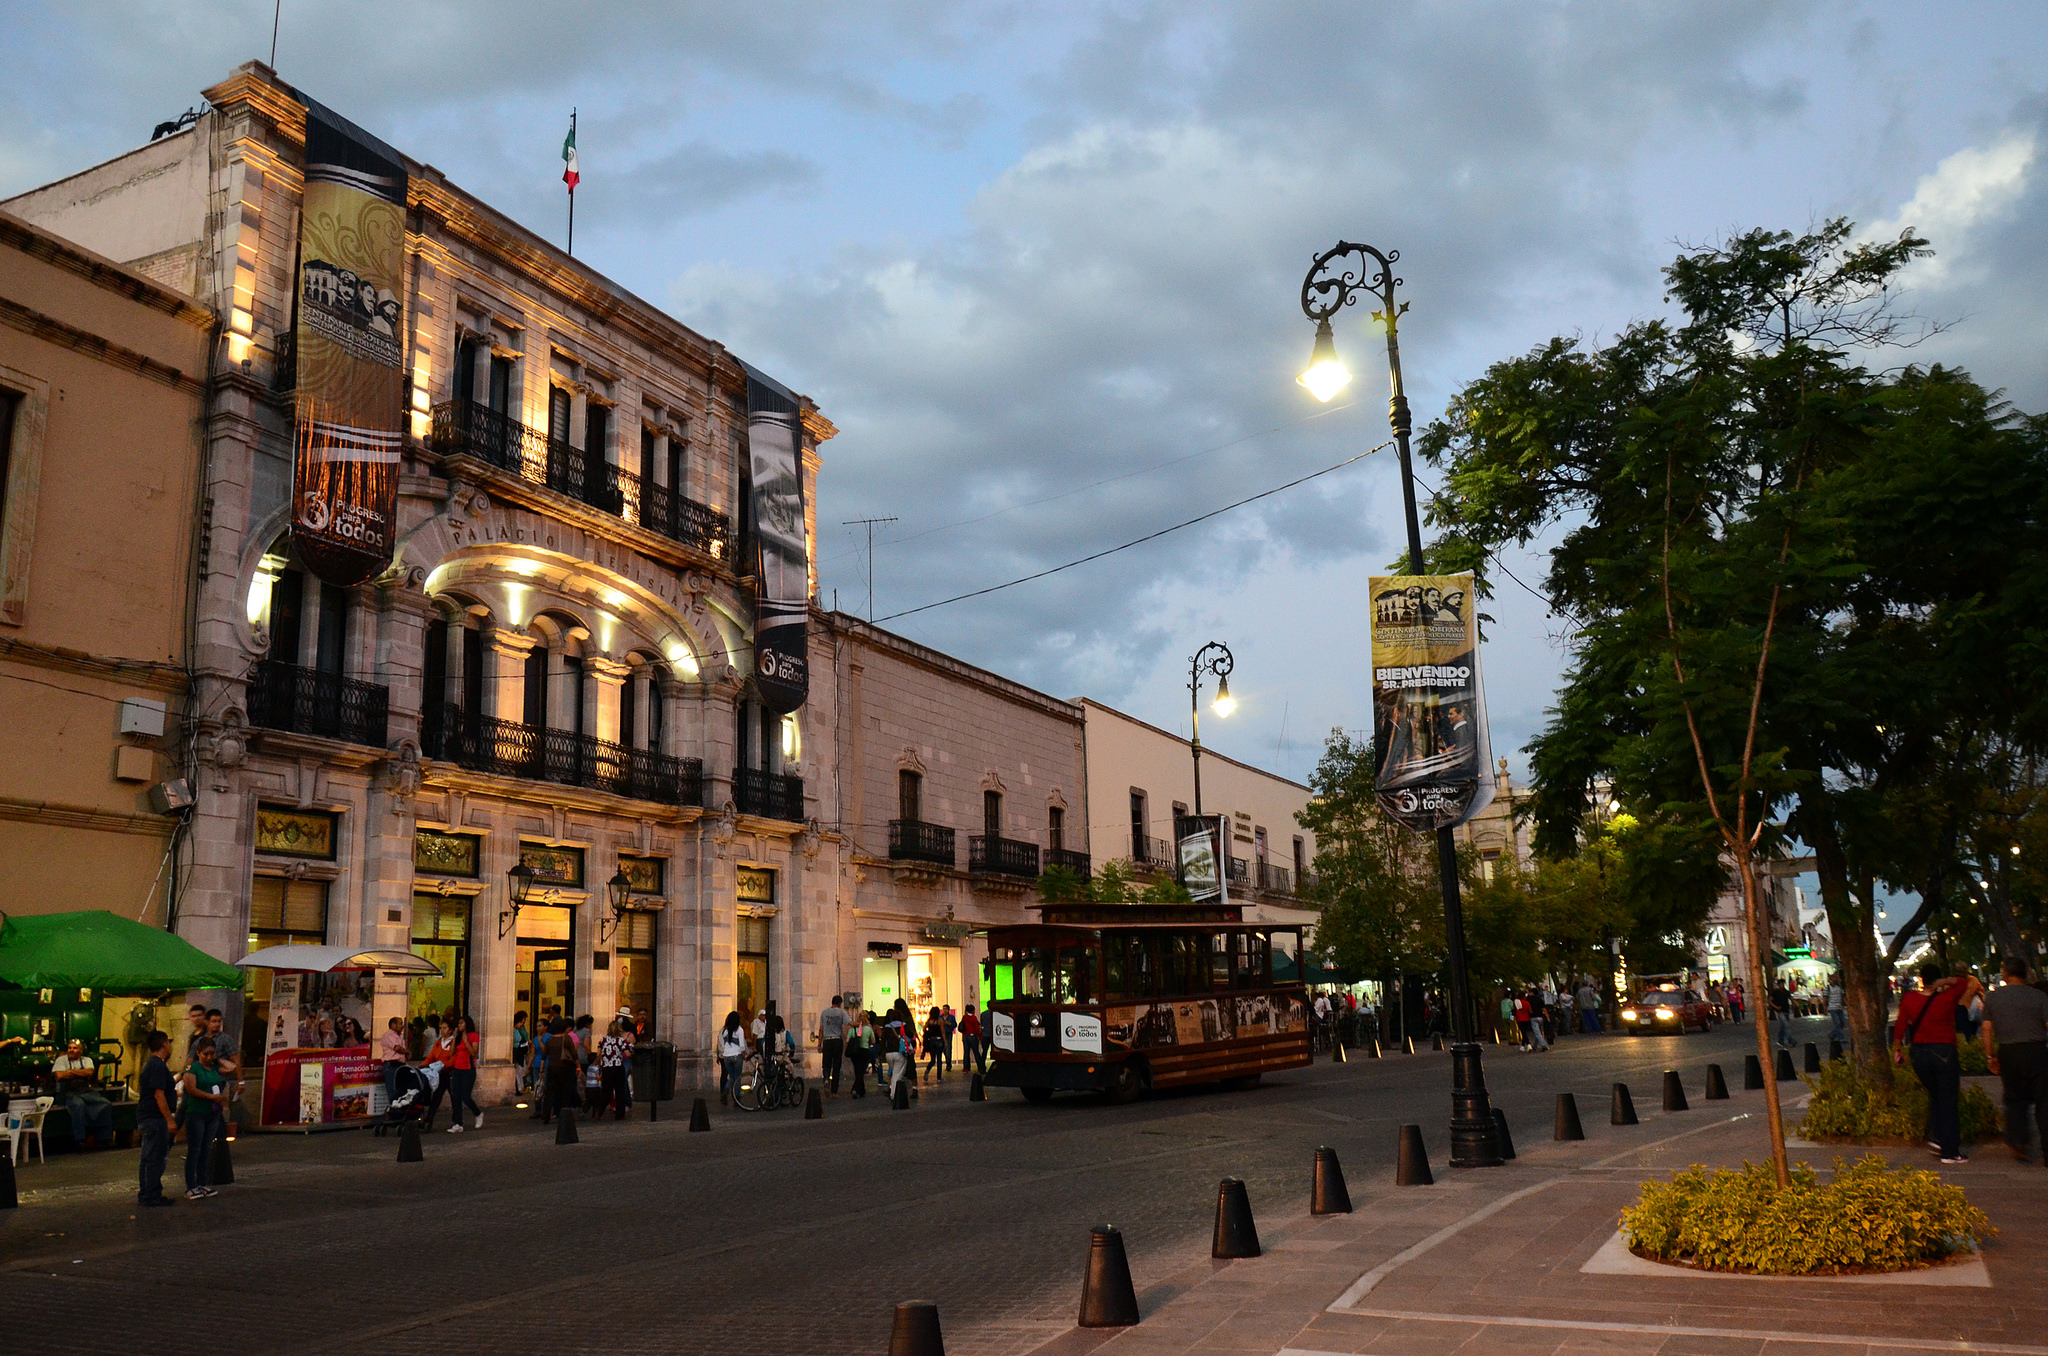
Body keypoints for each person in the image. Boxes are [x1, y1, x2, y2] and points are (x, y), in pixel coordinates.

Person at [1893, 963, 1982, 1165]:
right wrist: (1946, 981)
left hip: (1919, 1056)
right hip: (1944, 1053)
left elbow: (1899, 1026)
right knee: (1948, 1101)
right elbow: (1965, 983)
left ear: (1921, 979)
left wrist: (1897, 1050)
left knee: (1935, 1095)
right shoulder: (1947, 997)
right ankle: (1950, 1152)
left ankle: (1938, 1139)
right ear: (1939, 978)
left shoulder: (1909, 998)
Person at [1981, 955, 2048, 1164]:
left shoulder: (1994, 997)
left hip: (2009, 1051)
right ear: (2025, 973)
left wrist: (1990, 1055)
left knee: (2015, 1099)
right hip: (2037, 1051)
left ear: (2006, 974)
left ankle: (2019, 1140)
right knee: (2044, 1101)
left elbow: (1986, 1028)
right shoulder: (2039, 996)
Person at [180, 1041, 230, 1200]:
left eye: (212, 1054)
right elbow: (191, 1089)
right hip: (197, 1113)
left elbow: (232, 1067)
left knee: (206, 1149)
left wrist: (218, 1059)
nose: (209, 1057)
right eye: (205, 1054)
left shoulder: (214, 1068)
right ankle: (191, 1185)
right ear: (198, 1053)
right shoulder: (192, 1068)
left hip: (212, 1114)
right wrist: (212, 1097)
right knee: (195, 1149)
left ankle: (202, 1182)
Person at [51, 1038, 115, 1149]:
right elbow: (59, 1075)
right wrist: (80, 1073)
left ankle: (104, 1138)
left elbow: (90, 1072)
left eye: (75, 1048)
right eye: (70, 1048)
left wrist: (70, 1072)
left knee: (105, 1104)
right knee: (78, 1105)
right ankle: (80, 1139)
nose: (71, 1050)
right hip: (69, 1092)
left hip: (85, 1091)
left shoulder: (87, 1060)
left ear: (81, 1050)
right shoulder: (61, 1060)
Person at [136, 1031, 176, 1207]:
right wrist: (169, 1120)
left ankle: (147, 1191)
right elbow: (159, 1095)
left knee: (148, 1156)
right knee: (155, 1157)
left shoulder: (151, 1065)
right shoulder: (158, 1066)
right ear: (164, 1044)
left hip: (148, 1116)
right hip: (154, 1118)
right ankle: (151, 1194)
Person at [443, 1015, 481, 1132]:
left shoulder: (473, 1036)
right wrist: (454, 1037)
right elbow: (451, 1052)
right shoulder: (458, 1037)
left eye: (461, 1023)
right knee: (456, 1096)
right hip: (458, 1068)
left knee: (465, 1096)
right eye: (458, 1023)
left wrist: (466, 1041)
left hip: (468, 1069)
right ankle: (458, 1123)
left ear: (467, 1024)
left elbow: (473, 1053)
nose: (459, 1026)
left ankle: (478, 1113)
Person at [542, 1017, 580, 1123]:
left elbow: (544, 1055)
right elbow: (573, 1053)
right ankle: (564, 1114)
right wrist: (578, 1066)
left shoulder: (550, 1039)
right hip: (565, 1067)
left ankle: (546, 1115)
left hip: (551, 1067)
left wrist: (541, 1070)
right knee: (565, 1091)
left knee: (549, 1092)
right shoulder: (566, 1038)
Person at [598, 1019, 633, 1120]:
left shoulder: (603, 1040)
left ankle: (600, 1111)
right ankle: (620, 1114)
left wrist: (600, 1063)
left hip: (606, 1067)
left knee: (606, 1091)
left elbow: (598, 1053)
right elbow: (627, 1053)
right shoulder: (620, 1041)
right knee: (619, 1091)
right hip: (617, 1067)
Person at [818, 995, 848, 1096]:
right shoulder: (841, 1012)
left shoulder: (824, 1012)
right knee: (836, 1065)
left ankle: (826, 1079)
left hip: (827, 1041)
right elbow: (850, 1023)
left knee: (826, 1064)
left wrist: (819, 1044)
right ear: (840, 1003)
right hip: (837, 1040)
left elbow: (821, 1029)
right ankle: (834, 1091)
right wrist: (860, 1023)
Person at [716, 1012, 746, 1107]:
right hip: (736, 1055)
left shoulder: (724, 1030)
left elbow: (721, 1043)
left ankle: (725, 1090)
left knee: (732, 1077)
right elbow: (742, 1045)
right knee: (737, 1078)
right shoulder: (739, 1030)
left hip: (726, 1056)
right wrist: (744, 1055)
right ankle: (736, 1098)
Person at [378, 1016, 408, 1108]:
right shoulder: (388, 1035)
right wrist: (408, 1052)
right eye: (400, 1023)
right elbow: (397, 1048)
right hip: (391, 1066)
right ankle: (394, 1112)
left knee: (401, 1091)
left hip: (400, 1065)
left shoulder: (400, 1036)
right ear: (393, 1025)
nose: (402, 1026)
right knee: (393, 1091)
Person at [847, 1009, 875, 1098]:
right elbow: (873, 1041)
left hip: (854, 1052)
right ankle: (855, 1089)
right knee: (861, 1071)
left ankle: (861, 1090)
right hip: (864, 1050)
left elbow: (847, 1040)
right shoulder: (869, 1028)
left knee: (857, 1070)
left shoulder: (853, 1028)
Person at [921, 1008, 947, 1084]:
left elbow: (924, 1028)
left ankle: (928, 1069)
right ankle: (939, 1077)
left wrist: (928, 1032)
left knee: (933, 1059)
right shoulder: (940, 1021)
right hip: (939, 1040)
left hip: (931, 1041)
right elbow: (942, 1032)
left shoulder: (929, 1021)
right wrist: (945, 1041)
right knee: (939, 1059)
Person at [1769, 980, 1794, 1050]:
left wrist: (1795, 1003)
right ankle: (1790, 1040)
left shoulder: (1786, 992)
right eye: (1781, 984)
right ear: (1778, 985)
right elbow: (1770, 1001)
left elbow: (1791, 998)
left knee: (1783, 1026)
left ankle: (1780, 1040)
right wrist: (1776, 1007)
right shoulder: (1775, 992)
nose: (1782, 985)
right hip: (1779, 1011)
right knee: (1786, 1025)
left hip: (1786, 1010)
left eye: (1783, 984)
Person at [959, 1005, 984, 1074]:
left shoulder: (964, 1017)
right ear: (973, 1010)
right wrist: (979, 1037)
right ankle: (980, 1067)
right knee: (976, 1052)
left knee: (966, 1052)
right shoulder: (974, 1018)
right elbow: (976, 1029)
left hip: (965, 1036)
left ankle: (966, 1068)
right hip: (972, 1036)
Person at [511, 1011, 532, 1091]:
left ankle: (520, 1088)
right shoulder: (515, 1030)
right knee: (517, 1071)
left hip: (519, 1051)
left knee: (520, 1071)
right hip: (516, 1051)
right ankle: (518, 1088)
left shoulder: (518, 1029)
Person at [1825, 979, 1847, 1045]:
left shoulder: (1840, 988)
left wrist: (1845, 1004)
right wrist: (1825, 1008)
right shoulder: (1827, 988)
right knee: (1837, 1023)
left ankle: (1832, 1034)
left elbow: (1843, 997)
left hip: (1839, 1007)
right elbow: (1825, 998)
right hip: (1832, 1007)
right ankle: (1841, 1038)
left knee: (1842, 1023)